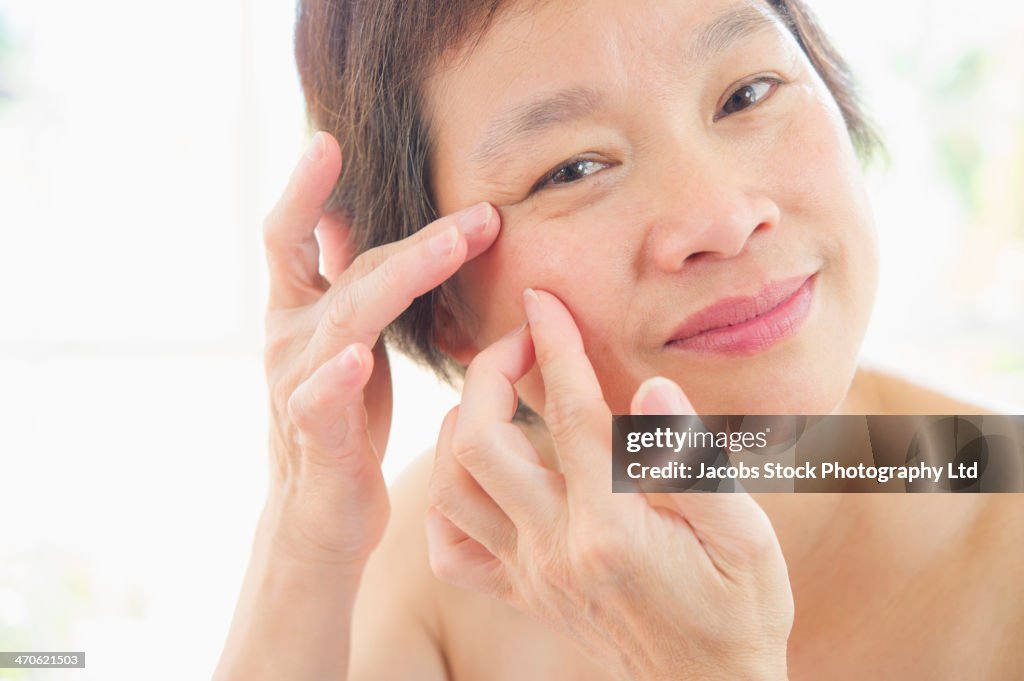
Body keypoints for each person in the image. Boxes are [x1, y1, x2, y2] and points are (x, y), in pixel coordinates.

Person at [214, 0, 1024, 679]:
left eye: (747, 92)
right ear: (437, 301)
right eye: (573, 168)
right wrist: (305, 533)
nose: (724, 216)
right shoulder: (441, 567)